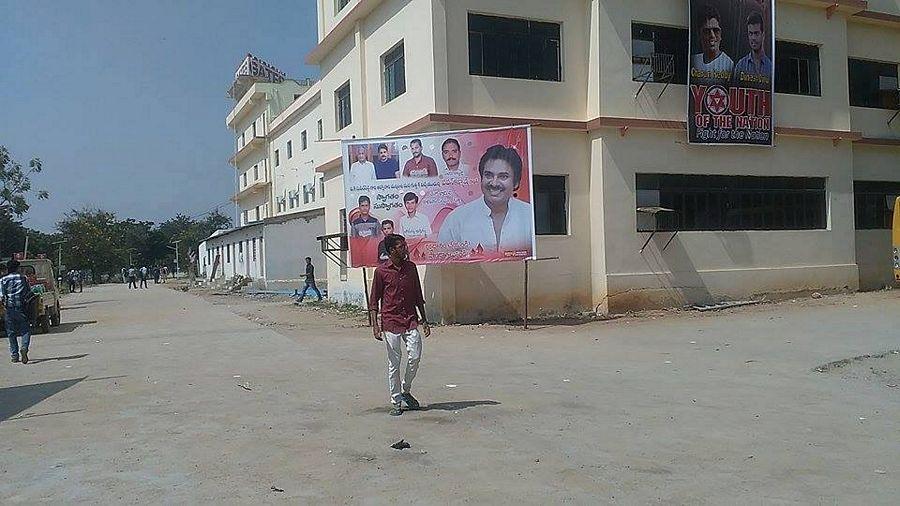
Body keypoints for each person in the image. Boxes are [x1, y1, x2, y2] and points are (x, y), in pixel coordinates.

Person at [368, 234, 430, 416]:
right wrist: (375, 326)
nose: (405, 249)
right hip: (390, 321)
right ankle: (396, 400)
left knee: (415, 356)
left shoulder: (411, 268)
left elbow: (418, 295)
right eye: (401, 246)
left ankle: (406, 389)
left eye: (404, 245)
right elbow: (374, 301)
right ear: (392, 251)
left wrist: (424, 320)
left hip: (410, 319)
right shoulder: (381, 272)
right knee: (394, 363)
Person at [438, 145, 534, 252]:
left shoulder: (529, 216)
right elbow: (443, 262)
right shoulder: (456, 219)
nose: (494, 183)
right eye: (488, 175)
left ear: (516, 183)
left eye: (503, 176)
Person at [2, 259, 34, 364]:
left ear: (8, 269)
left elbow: (1, 296)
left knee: (11, 333)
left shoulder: (3, 280)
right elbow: (29, 292)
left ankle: (14, 355)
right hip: (22, 309)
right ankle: (24, 347)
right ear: (17, 268)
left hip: (9, 309)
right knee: (25, 330)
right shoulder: (23, 278)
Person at [732, 11, 772, 89]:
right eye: (750, 33)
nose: (753, 38)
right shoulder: (740, 66)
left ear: (763, 35)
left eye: (756, 33)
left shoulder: (770, 67)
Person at [691, 5, 733, 76]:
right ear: (699, 35)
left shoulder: (728, 65)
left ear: (721, 34)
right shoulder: (693, 61)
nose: (712, 36)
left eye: (716, 30)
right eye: (707, 31)